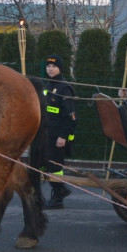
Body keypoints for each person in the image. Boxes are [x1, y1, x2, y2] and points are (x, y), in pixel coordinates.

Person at [42, 54, 77, 210]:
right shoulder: (47, 85)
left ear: (60, 69)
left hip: (57, 135)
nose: (50, 69)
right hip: (47, 133)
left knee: (55, 167)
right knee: (45, 164)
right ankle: (59, 190)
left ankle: (58, 197)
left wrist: (63, 136)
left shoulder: (64, 88)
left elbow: (71, 116)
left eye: (54, 66)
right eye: (48, 66)